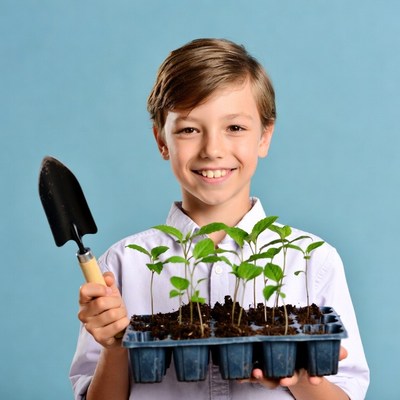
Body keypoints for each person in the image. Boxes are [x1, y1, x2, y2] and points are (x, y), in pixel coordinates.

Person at [69, 38, 369, 400]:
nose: (213, 149)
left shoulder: (312, 260)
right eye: (189, 129)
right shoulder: (122, 265)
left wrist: (300, 376)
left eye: (235, 128)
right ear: (161, 141)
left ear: (264, 136)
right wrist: (116, 346)